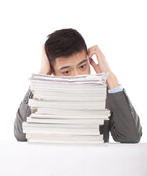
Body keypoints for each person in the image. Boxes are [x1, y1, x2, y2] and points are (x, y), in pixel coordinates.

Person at [14, 28, 142, 143]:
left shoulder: (105, 97)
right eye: (66, 72)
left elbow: (130, 136)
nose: (77, 76)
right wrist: (41, 76)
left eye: (82, 66)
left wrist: (111, 79)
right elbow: (21, 134)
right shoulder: (41, 97)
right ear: (52, 70)